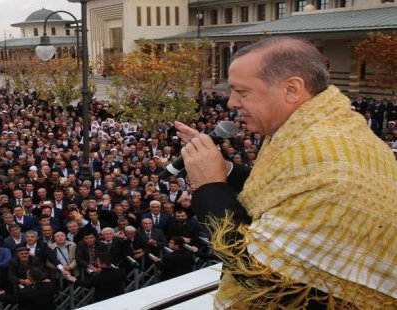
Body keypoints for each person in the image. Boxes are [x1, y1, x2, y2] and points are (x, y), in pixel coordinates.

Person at [176, 36, 397, 308]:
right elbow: (285, 189)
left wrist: (210, 186)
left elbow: (260, 273)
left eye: (242, 92)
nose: (231, 103)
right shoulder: (324, 129)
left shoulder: (325, 157)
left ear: (292, 89)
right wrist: (227, 171)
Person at [62, 252, 126, 303]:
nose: (97, 263)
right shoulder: (120, 271)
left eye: (98, 261)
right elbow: (124, 278)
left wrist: (73, 279)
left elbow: (88, 284)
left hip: (102, 302)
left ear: (102, 263)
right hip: (119, 300)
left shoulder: (99, 276)